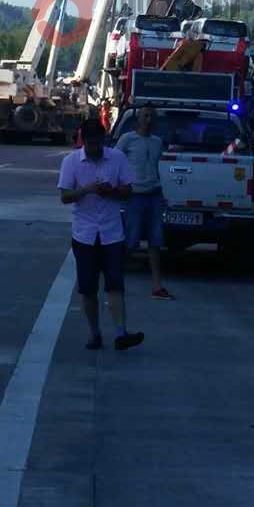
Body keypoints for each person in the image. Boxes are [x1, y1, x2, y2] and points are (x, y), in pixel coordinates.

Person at [58, 116, 144, 351]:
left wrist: (110, 192)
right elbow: (65, 196)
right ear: (83, 141)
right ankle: (94, 333)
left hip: (112, 233)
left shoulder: (117, 158)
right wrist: (87, 190)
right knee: (88, 288)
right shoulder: (71, 162)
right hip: (84, 234)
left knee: (115, 285)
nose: (95, 148)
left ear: (103, 140)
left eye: (98, 143)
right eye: (90, 143)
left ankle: (121, 333)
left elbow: (128, 190)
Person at [116, 105, 174, 300]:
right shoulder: (127, 139)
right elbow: (115, 161)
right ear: (139, 118)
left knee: (155, 241)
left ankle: (157, 286)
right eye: (146, 116)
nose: (149, 120)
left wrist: (162, 194)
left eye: (152, 116)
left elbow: (159, 167)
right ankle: (115, 278)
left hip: (154, 195)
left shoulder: (157, 142)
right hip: (135, 196)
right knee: (130, 240)